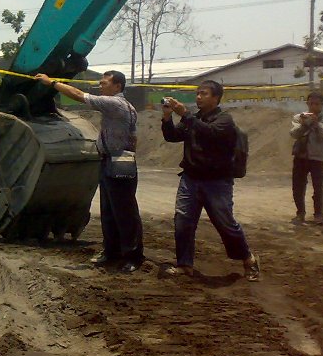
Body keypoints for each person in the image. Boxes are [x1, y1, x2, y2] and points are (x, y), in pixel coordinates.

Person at [36, 70, 144, 273]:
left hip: (118, 160)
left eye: (105, 83)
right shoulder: (123, 106)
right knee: (109, 211)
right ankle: (112, 252)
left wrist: (51, 83)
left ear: (117, 86)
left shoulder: (116, 104)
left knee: (125, 212)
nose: (100, 86)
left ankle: (133, 256)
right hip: (112, 160)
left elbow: (78, 95)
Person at [161, 80, 259, 281]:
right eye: (197, 93)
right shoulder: (193, 119)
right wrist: (167, 117)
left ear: (216, 97)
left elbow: (210, 133)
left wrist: (185, 115)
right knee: (183, 221)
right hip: (191, 179)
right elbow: (172, 136)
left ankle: (248, 259)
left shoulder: (225, 120)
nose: (198, 97)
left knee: (226, 224)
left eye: (203, 94)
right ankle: (184, 264)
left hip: (217, 182)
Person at [290, 91, 323, 225]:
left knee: (318, 188)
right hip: (300, 157)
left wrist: (316, 124)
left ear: (322, 105)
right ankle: (300, 214)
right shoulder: (299, 117)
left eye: (317, 104)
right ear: (307, 103)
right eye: (311, 103)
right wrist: (304, 124)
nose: (314, 107)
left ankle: (318, 215)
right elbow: (293, 134)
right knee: (298, 187)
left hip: (317, 158)